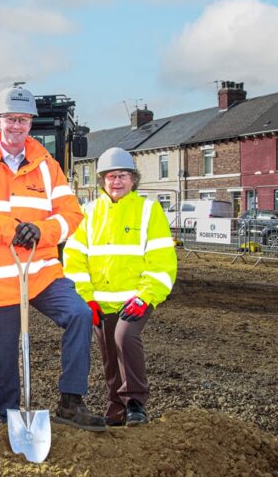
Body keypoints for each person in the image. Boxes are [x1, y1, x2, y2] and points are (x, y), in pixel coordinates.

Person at [0, 86, 106, 431]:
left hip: (41, 272)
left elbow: (72, 215)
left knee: (80, 314)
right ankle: (9, 417)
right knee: (4, 354)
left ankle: (71, 401)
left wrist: (41, 230)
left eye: (22, 120)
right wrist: (11, 229)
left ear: (30, 123)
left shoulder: (48, 168)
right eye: (10, 119)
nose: (16, 126)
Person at [63, 147, 177, 426]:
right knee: (109, 355)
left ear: (133, 179)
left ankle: (136, 403)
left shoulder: (148, 211)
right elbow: (74, 259)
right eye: (111, 176)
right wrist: (85, 299)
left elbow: (162, 259)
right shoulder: (87, 213)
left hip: (136, 299)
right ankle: (115, 410)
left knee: (125, 338)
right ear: (102, 180)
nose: (117, 181)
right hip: (100, 301)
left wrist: (146, 296)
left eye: (123, 176)